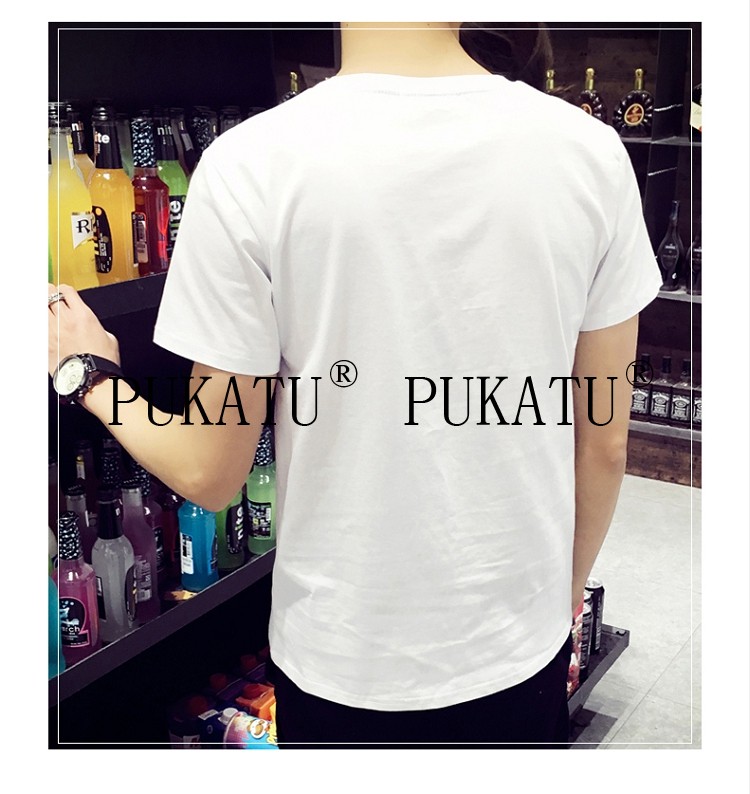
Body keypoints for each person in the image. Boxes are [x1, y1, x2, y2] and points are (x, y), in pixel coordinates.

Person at [48, 22, 662, 748]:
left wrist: (87, 374)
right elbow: (604, 442)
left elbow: (209, 471)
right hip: (518, 640)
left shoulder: (252, 164)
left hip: (341, 654)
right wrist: (564, 595)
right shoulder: (589, 153)